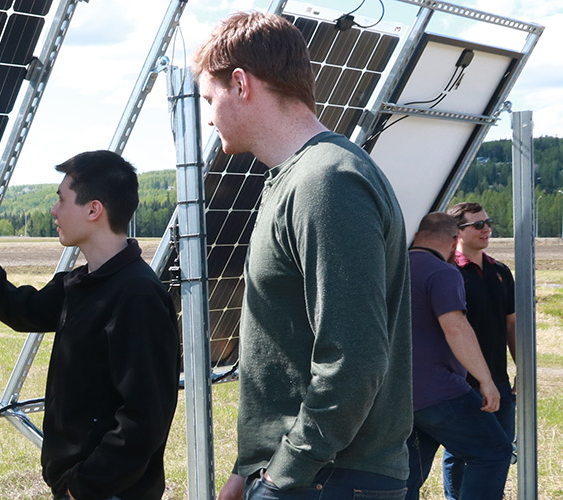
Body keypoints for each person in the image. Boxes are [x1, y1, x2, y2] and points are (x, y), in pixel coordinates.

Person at [193, 11, 411, 500]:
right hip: (311, 475)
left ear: (242, 84)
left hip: (328, 479)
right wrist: (249, 468)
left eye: (211, 98)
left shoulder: (326, 182)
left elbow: (353, 358)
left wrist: (284, 474)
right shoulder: (300, 178)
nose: (208, 117)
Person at [0, 150, 180, 500]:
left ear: (93, 210)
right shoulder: (81, 283)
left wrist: (83, 487)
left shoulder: (137, 295)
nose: (53, 209)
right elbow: (19, 309)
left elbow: (144, 418)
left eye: (61, 199)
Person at [405, 212, 511, 500]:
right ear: (454, 241)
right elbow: (456, 327)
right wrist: (485, 380)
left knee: (409, 474)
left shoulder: (395, 269)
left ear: (416, 236)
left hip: (400, 393)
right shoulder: (443, 272)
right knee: (494, 452)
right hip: (439, 390)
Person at [442, 201, 517, 497]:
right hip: (461, 381)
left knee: (499, 450)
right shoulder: (448, 272)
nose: (486, 229)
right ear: (457, 232)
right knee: (461, 453)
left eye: (488, 222)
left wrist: (522, 369)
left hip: (498, 377)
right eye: (478, 224)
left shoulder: (500, 271)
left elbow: (511, 325)